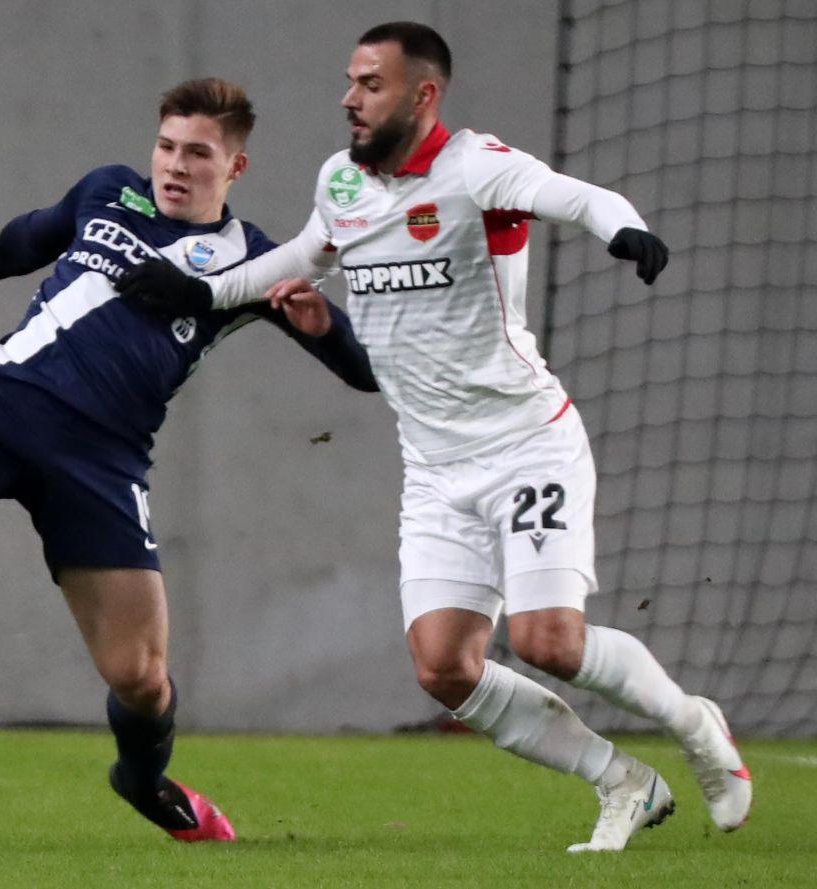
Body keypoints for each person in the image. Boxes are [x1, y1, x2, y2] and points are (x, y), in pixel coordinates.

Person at [116, 24, 752, 853]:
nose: (349, 98)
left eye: (370, 84)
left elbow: (575, 196)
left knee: (548, 641)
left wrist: (622, 229)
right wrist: (197, 291)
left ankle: (696, 726)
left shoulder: (477, 167)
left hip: (525, 444)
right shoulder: (342, 180)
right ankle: (621, 779)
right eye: (351, 80)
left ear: (423, 94)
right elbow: (302, 256)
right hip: (434, 466)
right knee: (444, 667)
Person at [0, 78, 378, 843]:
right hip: (6, 398)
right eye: (166, 146)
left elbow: (364, 370)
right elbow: (34, 232)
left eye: (197, 153)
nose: (174, 164)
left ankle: (142, 780)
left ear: (235, 166)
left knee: (140, 676)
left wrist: (324, 327)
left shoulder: (253, 261)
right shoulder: (108, 191)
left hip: (103, 460)